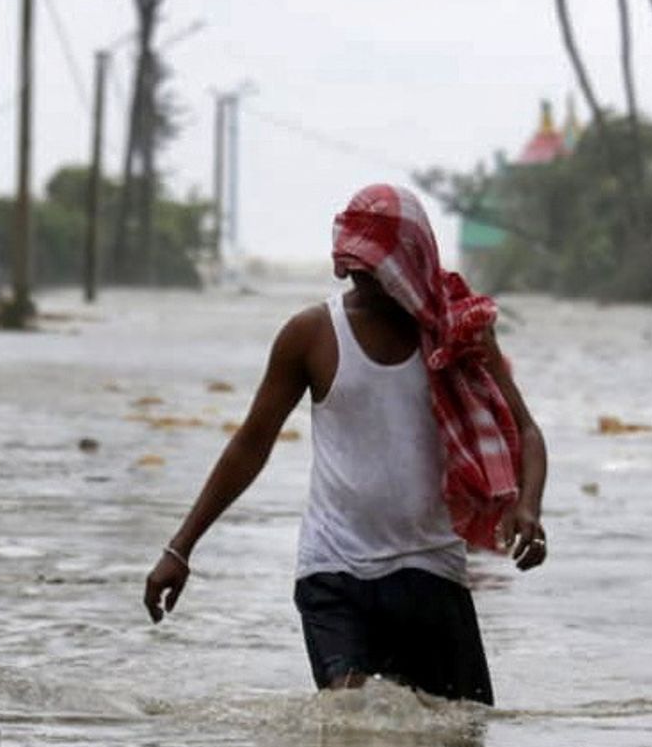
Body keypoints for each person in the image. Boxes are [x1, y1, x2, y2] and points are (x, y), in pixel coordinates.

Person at [142, 184, 548, 706]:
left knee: (460, 743)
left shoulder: (460, 335)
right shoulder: (311, 335)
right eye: (356, 266)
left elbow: (526, 431)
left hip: (431, 570)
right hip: (334, 574)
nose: (365, 279)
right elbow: (250, 445)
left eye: (377, 267)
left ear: (413, 261)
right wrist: (181, 548)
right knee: (350, 729)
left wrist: (528, 506)